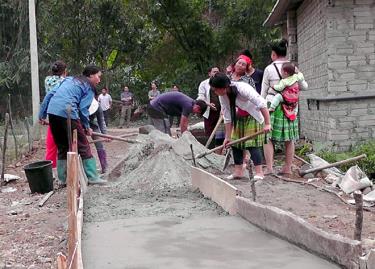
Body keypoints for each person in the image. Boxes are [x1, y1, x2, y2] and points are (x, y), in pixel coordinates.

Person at [39, 65, 106, 185]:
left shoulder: (68, 79)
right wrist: (86, 127)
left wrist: (42, 115)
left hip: (53, 112)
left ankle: (63, 179)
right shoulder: (88, 87)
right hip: (68, 113)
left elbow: (49, 95)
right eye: (98, 76)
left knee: (62, 146)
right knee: (84, 145)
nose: (99, 80)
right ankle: (92, 177)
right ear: (91, 75)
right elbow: (83, 109)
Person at [209, 72, 271, 180]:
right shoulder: (222, 96)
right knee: (235, 143)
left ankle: (259, 172)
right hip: (239, 116)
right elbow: (227, 116)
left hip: (253, 114)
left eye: (215, 89)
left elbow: (261, 103)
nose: (214, 92)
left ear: (223, 87)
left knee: (252, 144)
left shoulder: (242, 88)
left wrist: (267, 123)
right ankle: (238, 171)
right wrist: (227, 137)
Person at [261, 39, 298, 175]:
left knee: (268, 136)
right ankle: (287, 168)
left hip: (273, 105)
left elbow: (263, 91)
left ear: (273, 54)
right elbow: (299, 86)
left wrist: (261, 107)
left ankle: (270, 168)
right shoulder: (294, 68)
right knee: (290, 137)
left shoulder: (269, 69)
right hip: (291, 106)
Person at [44, 60, 67, 170]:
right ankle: (65, 170)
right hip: (64, 115)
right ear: (64, 71)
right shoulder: (65, 81)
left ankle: (50, 169)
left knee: (51, 145)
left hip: (51, 114)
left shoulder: (47, 80)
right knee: (65, 144)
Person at [197, 66, 223, 148]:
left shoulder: (222, 83)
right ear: (209, 73)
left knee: (221, 132)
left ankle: (220, 151)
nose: (216, 73)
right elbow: (200, 97)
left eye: (218, 72)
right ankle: (210, 149)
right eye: (214, 72)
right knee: (209, 132)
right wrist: (208, 104)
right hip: (209, 112)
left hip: (221, 112)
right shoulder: (204, 84)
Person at [89, 99, 109, 174]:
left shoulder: (97, 106)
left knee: (99, 145)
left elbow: (101, 120)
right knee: (83, 147)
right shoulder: (79, 104)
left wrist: (105, 134)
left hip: (93, 125)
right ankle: (88, 169)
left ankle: (104, 166)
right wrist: (86, 128)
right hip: (80, 124)